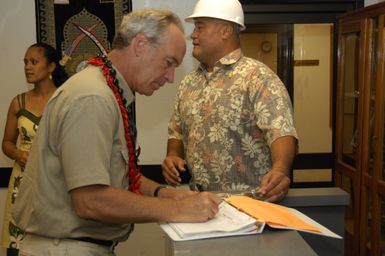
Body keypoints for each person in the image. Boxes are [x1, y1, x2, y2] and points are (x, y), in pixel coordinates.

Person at [12, 8, 221, 256]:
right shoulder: (93, 97)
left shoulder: (107, 92)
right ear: (141, 44)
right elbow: (91, 200)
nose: (170, 77)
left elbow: (123, 174)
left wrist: (170, 197)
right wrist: (180, 211)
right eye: (169, 63)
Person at [161, 0, 298, 203]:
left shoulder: (257, 77)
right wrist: (173, 155)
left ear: (225, 30)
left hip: (251, 205)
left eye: (200, 27)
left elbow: (281, 131)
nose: (193, 35)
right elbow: (177, 131)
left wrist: (280, 169)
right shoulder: (188, 83)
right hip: (199, 204)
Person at [1, 43, 68, 256]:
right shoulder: (18, 102)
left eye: (34, 62)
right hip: (22, 182)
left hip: (55, 181)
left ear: (51, 67)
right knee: (18, 246)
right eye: (25, 62)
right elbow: (7, 143)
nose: (27, 67)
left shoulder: (64, 99)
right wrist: (18, 153)